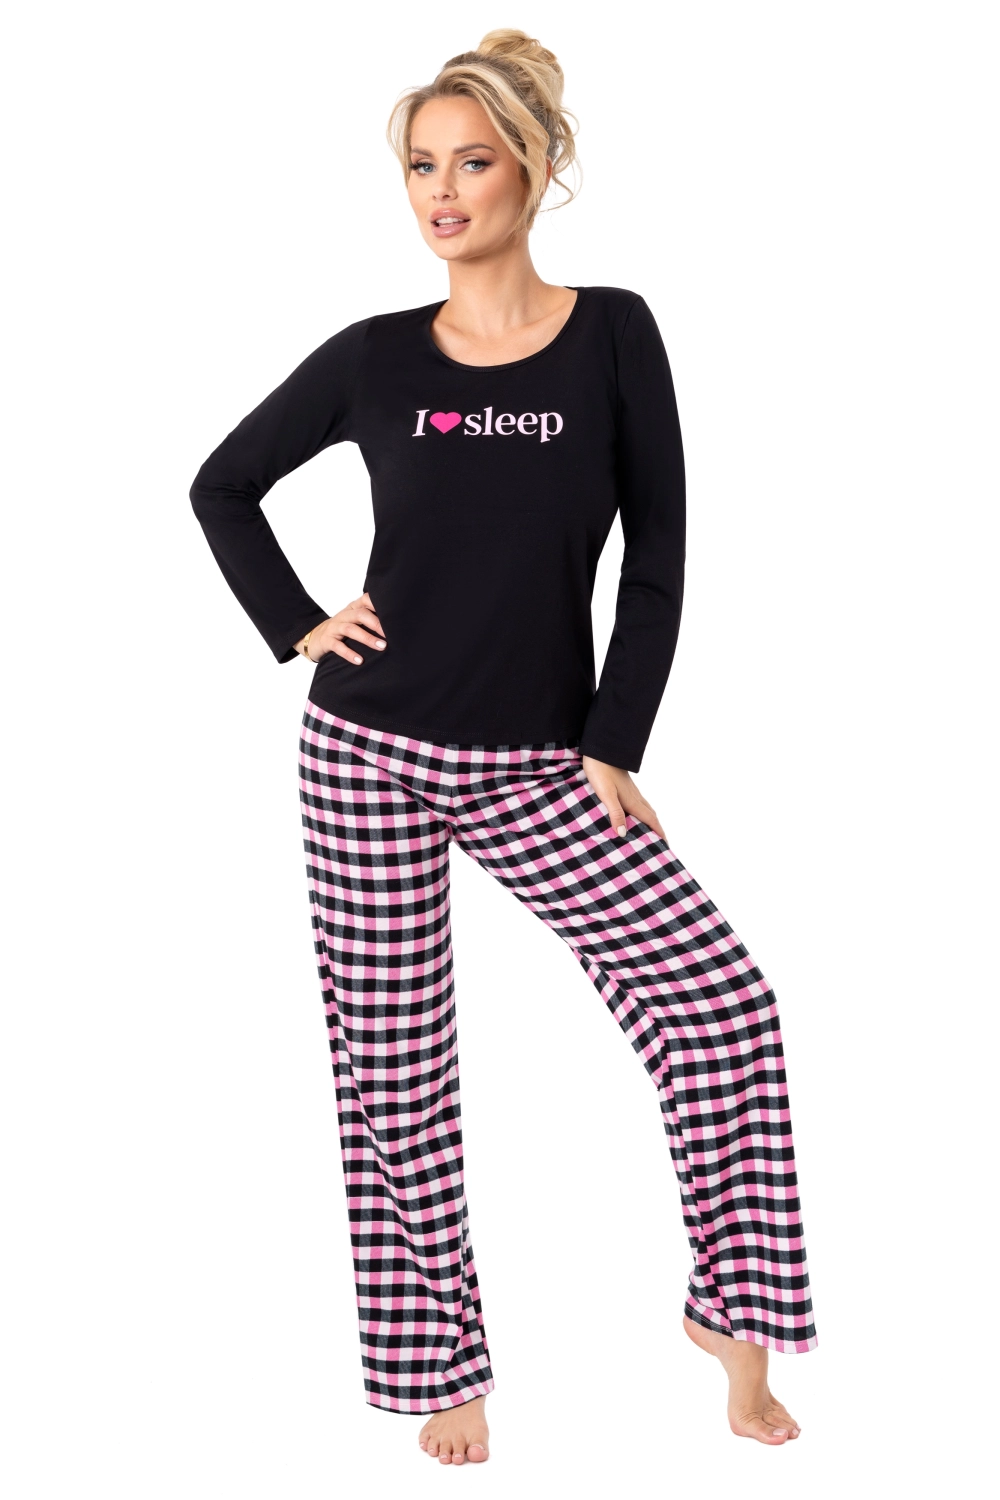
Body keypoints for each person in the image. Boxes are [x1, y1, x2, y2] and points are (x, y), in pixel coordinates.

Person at [189, 28, 817, 1465]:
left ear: (534, 171)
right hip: (365, 752)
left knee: (724, 1005)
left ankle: (736, 1322)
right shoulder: (374, 357)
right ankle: (441, 1369)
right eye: (422, 166)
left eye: (472, 163)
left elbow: (657, 553)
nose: (443, 192)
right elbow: (222, 485)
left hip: (542, 761)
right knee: (393, 1069)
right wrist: (298, 625)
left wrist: (615, 741)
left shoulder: (615, 334)